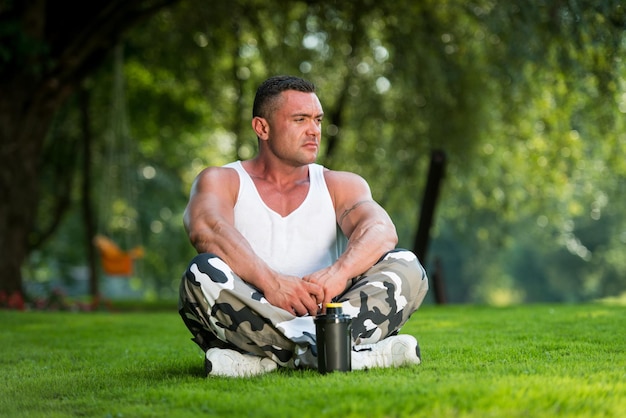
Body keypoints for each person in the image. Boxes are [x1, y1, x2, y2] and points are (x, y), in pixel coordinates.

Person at [178, 75, 429, 377]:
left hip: (329, 311)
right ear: (262, 127)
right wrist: (273, 284)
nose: (314, 131)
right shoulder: (222, 180)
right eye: (300, 119)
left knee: (407, 265)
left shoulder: (339, 184)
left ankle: (268, 359)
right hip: (256, 311)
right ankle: (342, 353)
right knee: (200, 273)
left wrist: (338, 275)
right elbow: (206, 229)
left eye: (318, 120)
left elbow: (381, 229)